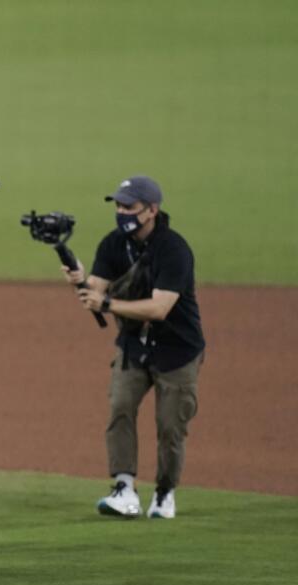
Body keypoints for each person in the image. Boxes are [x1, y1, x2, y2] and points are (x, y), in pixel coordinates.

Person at [65, 176, 204, 519]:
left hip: (177, 351)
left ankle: (164, 493)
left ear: (152, 210)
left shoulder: (174, 249)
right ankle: (124, 489)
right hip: (133, 348)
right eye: (118, 205)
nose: (121, 212)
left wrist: (107, 303)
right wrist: (81, 280)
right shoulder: (114, 244)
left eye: (129, 206)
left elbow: (159, 308)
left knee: (171, 426)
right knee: (120, 410)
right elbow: (95, 293)